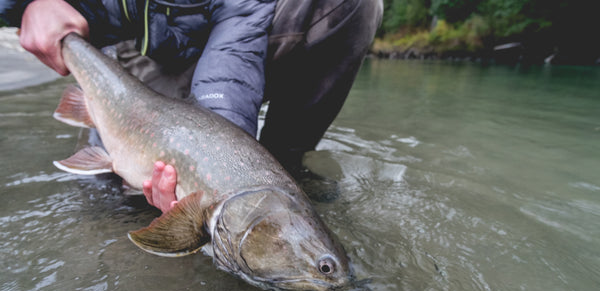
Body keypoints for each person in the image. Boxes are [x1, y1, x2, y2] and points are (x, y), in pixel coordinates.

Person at [1, 0, 383, 212]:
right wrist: (30, 4)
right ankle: (106, 129)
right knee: (109, 199)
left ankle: (284, 171)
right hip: (131, 59)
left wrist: (219, 175)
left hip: (226, 45)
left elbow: (230, 71)